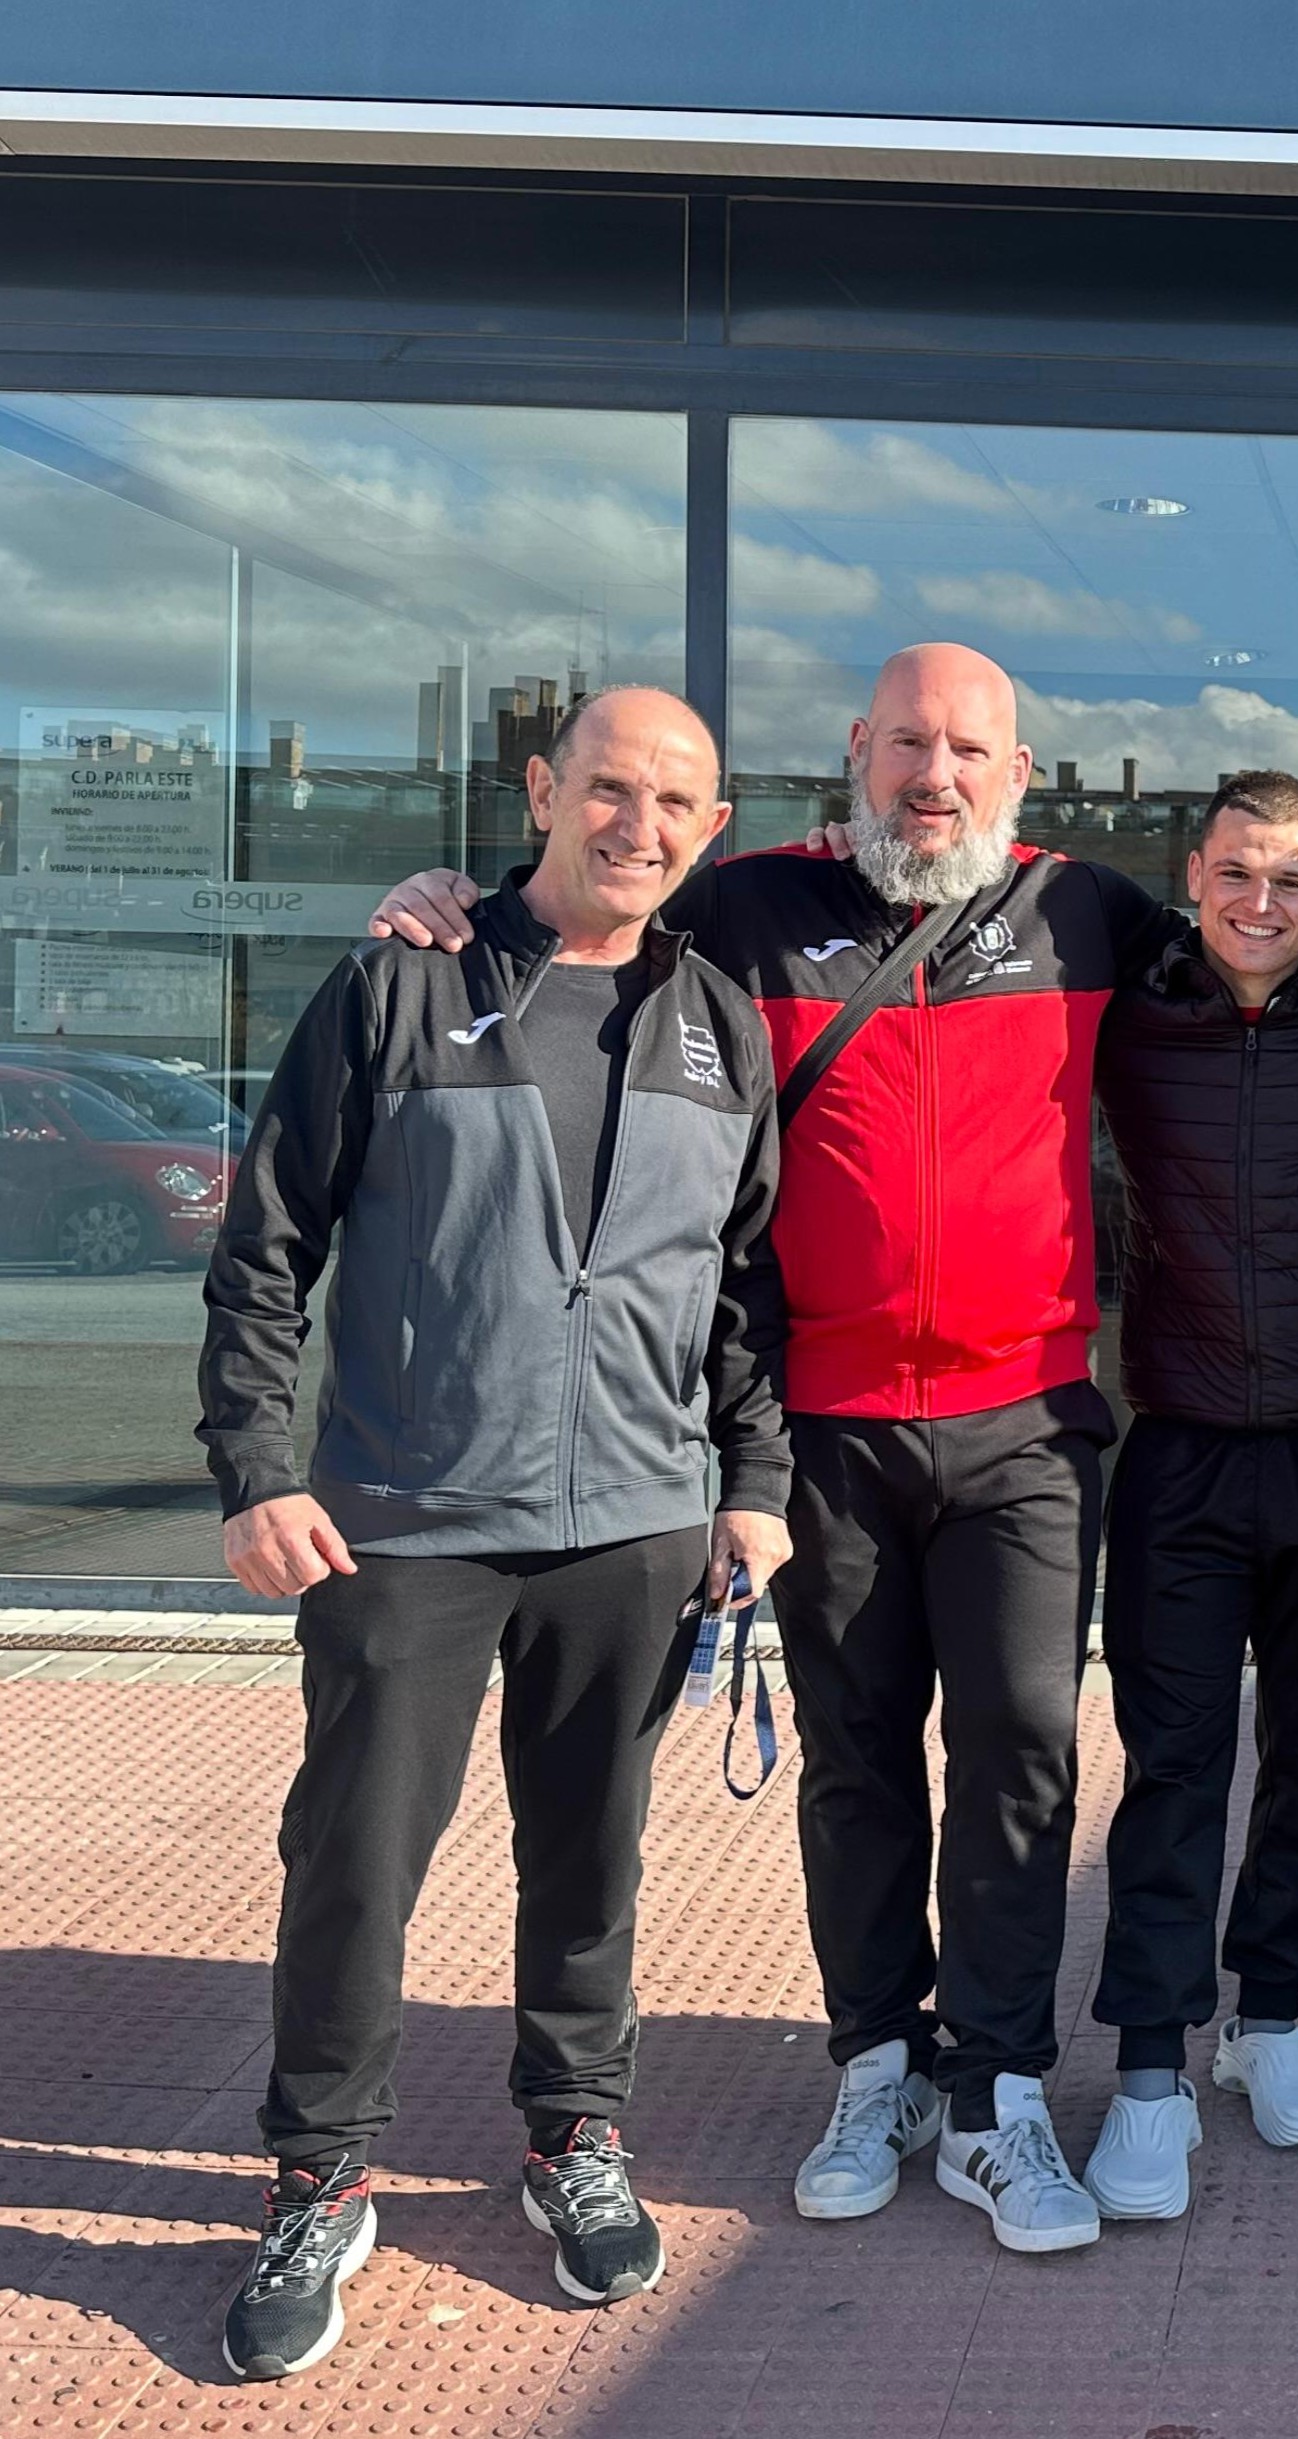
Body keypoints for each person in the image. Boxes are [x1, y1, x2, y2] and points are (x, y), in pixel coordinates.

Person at [369, 645, 1163, 2257]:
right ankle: (878, 2061)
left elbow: (1276, 967)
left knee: (1021, 1745)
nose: (935, 776)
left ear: (1020, 774)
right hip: (823, 1424)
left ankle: (999, 2086)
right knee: (858, 1753)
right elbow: (579, 923)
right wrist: (446, 897)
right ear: (856, 750)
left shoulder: (1088, 912)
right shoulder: (746, 905)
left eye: (971, 751)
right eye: (908, 743)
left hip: (1025, 1420)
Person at [200, 687, 790, 2376]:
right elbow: (267, 1243)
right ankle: (319, 2170)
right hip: (406, 1518)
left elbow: (746, 1287)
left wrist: (753, 1482)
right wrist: (256, 1465)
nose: (637, 824)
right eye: (608, 786)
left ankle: (572, 2129)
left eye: (674, 801)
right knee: (355, 1856)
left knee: (591, 1851)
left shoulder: (718, 1023)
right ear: (541, 788)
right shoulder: (404, 978)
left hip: (635, 1520)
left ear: (711, 828)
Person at [1073, 771, 1298, 2217]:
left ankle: (1270, 2015)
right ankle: (1151, 2065)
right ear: (1193, 874)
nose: (1261, 903)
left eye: (1293, 880)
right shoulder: (1125, 1011)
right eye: (1237, 873)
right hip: (1182, 1446)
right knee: (1175, 1764)